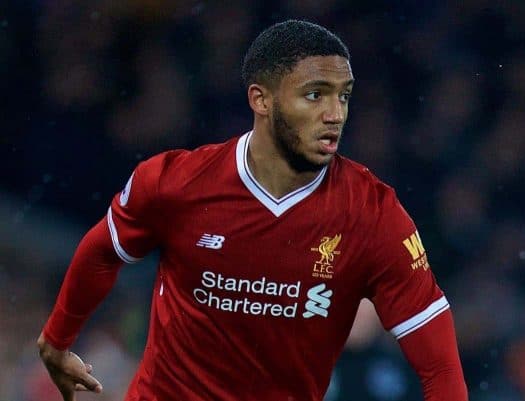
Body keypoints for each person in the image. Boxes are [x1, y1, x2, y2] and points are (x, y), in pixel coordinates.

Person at [37, 20, 468, 401]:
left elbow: (442, 370)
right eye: (315, 94)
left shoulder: (373, 214)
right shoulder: (175, 183)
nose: (335, 114)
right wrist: (56, 340)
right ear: (261, 100)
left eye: (343, 96)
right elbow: (102, 252)